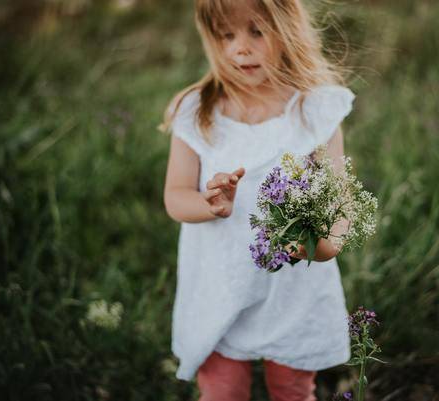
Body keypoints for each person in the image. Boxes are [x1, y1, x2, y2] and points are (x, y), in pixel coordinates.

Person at [160, 1, 356, 400]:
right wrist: (209, 204)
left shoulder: (312, 110)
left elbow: (339, 200)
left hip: (290, 292)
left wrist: (323, 245)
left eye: (255, 31)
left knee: (292, 389)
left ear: (287, 29)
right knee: (222, 390)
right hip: (219, 284)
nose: (239, 49)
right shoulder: (198, 111)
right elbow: (175, 197)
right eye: (226, 35)